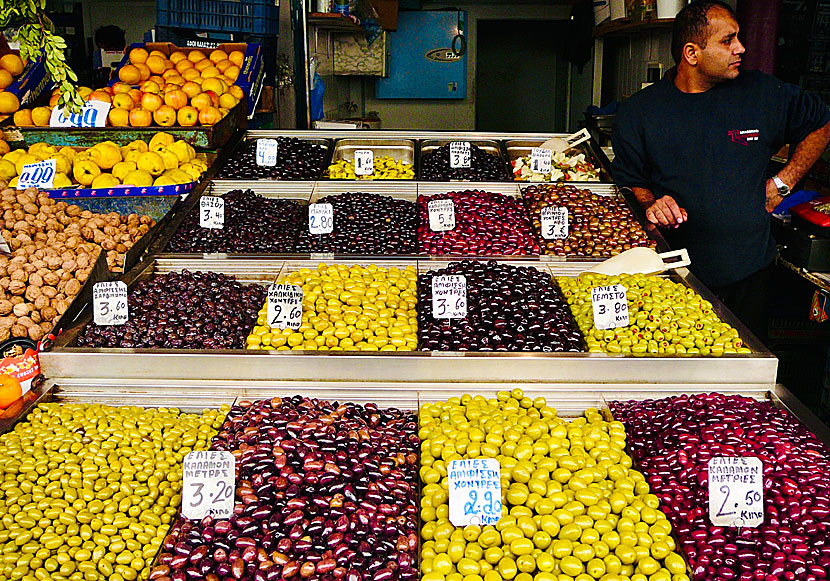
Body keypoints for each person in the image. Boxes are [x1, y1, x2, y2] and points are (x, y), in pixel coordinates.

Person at [611, 0, 830, 344]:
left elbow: (822, 122)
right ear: (692, 53)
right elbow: (630, 184)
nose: (740, 49)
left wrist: (783, 183)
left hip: (750, 276)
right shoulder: (639, 111)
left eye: (738, 38)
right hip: (670, 276)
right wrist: (651, 203)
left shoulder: (761, 92)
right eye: (728, 41)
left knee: (741, 382)